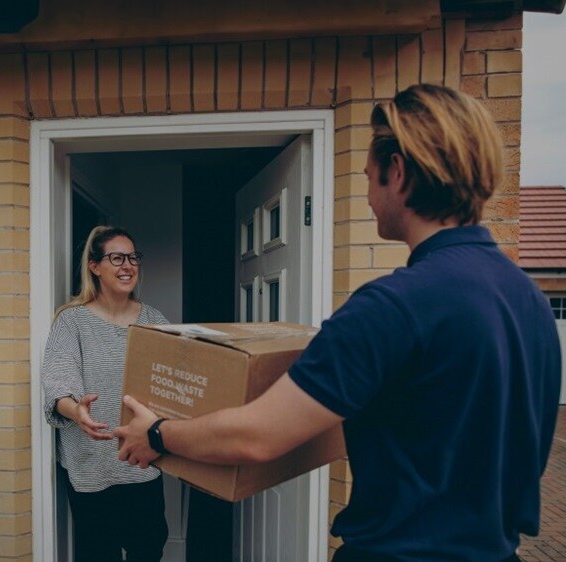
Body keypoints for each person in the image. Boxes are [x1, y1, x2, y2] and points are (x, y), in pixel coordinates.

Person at [114, 83, 561, 562]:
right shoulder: (529, 300)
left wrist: (157, 433)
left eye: (369, 175)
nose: (366, 192)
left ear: (399, 169)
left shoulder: (393, 306)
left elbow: (257, 434)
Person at [42, 225, 170, 562]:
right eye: (116, 257)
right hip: (90, 466)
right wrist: (75, 411)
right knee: (98, 554)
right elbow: (58, 378)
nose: (127, 265)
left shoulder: (155, 321)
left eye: (133, 257)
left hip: (141, 460)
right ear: (94, 266)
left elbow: (172, 384)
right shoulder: (72, 321)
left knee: (148, 550)